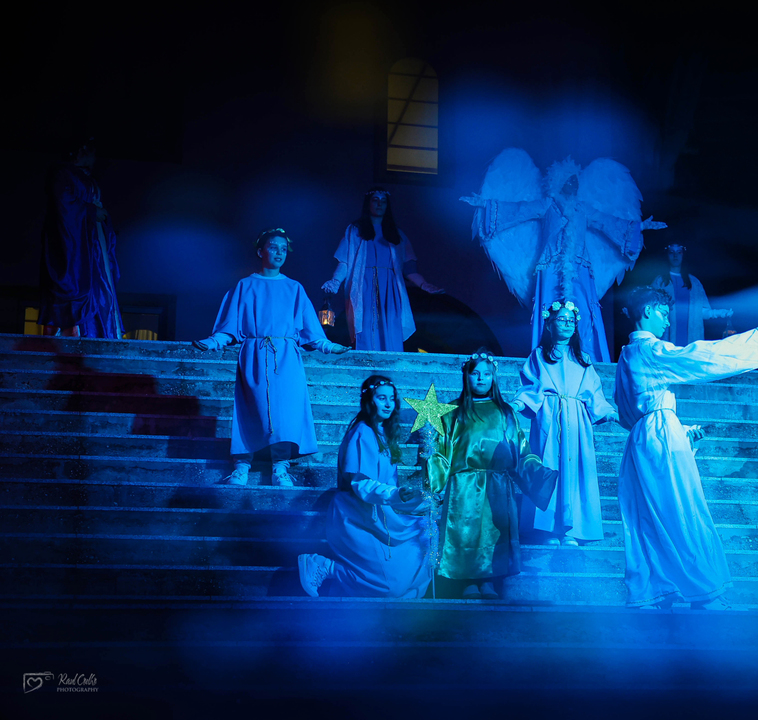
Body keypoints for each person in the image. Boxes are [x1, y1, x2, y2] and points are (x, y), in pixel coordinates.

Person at [615, 286, 758, 610]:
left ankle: (660, 588)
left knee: (653, 516)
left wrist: (680, 431)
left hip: (643, 437)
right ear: (647, 312)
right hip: (658, 434)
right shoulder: (649, 348)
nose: (666, 321)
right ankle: (703, 591)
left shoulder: (627, 354)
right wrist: (755, 341)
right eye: (662, 313)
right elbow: (699, 358)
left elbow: (629, 409)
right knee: (682, 509)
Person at [461, 149, 667, 361]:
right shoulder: (548, 205)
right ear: (560, 182)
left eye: (576, 179)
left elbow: (608, 223)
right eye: (570, 180)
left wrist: (640, 227)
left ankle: (587, 355)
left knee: (583, 312)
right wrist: (486, 205)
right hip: (551, 268)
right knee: (550, 310)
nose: (574, 183)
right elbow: (520, 210)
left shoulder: (582, 209)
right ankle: (548, 356)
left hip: (580, 269)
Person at [194, 228, 349, 486]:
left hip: (286, 357)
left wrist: (327, 346)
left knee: (285, 411)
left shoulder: (294, 288)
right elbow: (230, 325)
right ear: (260, 252)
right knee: (250, 408)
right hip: (255, 353)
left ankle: (280, 467)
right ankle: (242, 466)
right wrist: (215, 341)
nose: (279, 252)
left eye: (283, 249)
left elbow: (310, 329)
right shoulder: (245, 285)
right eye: (273, 247)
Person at [428, 349, 558, 599]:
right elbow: (442, 451)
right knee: (465, 531)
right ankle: (466, 580)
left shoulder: (504, 412)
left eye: (486, 374)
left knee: (493, 533)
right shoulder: (452, 412)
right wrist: (432, 475)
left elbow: (520, 449)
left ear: (493, 378)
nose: (481, 378)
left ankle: (488, 580)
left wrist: (537, 472)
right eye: (475, 373)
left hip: (497, 484)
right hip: (464, 486)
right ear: (466, 376)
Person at [298, 375, 435, 598]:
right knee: (389, 586)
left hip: (379, 516)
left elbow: (390, 490)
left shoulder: (383, 435)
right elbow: (362, 485)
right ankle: (324, 566)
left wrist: (421, 499)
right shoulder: (362, 432)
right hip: (354, 517)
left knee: (426, 535)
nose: (388, 404)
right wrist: (397, 494)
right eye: (382, 398)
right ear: (370, 400)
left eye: (392, 398)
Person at [511, 299, 619, 546]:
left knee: (576, 471)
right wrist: (518, 403)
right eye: (562, 319)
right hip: (549, 415)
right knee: (547, 466)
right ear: (549, 324)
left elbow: (594, 393)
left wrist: (609, 412)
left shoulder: (583, 359)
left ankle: (572, 529)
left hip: (576, 420)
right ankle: (547, 529)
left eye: (572, 320)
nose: (568, 324)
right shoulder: (539, 355)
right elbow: (532, 387)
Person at [321, 187, 443, 351]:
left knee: (390, 326)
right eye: (375, 200)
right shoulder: (355, 231)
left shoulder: (396, 234)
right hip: (364, 287)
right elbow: (345, 262)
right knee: (366, 325)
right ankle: (366, 363)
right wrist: (335, 281)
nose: (379, 204)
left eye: (383, 201)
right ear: (368, 203)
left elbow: (408, 267)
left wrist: (424, 284)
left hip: (389, 289)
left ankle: (390, 363)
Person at [38, 137, 124, 338]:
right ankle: (75, 333)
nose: (94, 158)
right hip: (76, 241)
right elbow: (64, 204)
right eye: (91, 153)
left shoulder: (85, 177)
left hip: (92, 241)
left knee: (99, 285)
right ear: (81, 153)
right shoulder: (62, 174)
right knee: (77, 281)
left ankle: (98, 333)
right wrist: (91, 212)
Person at [652, 244, 732, 345]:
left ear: (683, 255)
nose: (675, 255)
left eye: (679, 252)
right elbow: (652, 311)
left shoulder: (694, 283)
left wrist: (720, 313)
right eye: (671, 252)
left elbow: (701, 312)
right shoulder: (659, 282)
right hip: (667, 341)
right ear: (667, 255)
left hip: (692, 342)